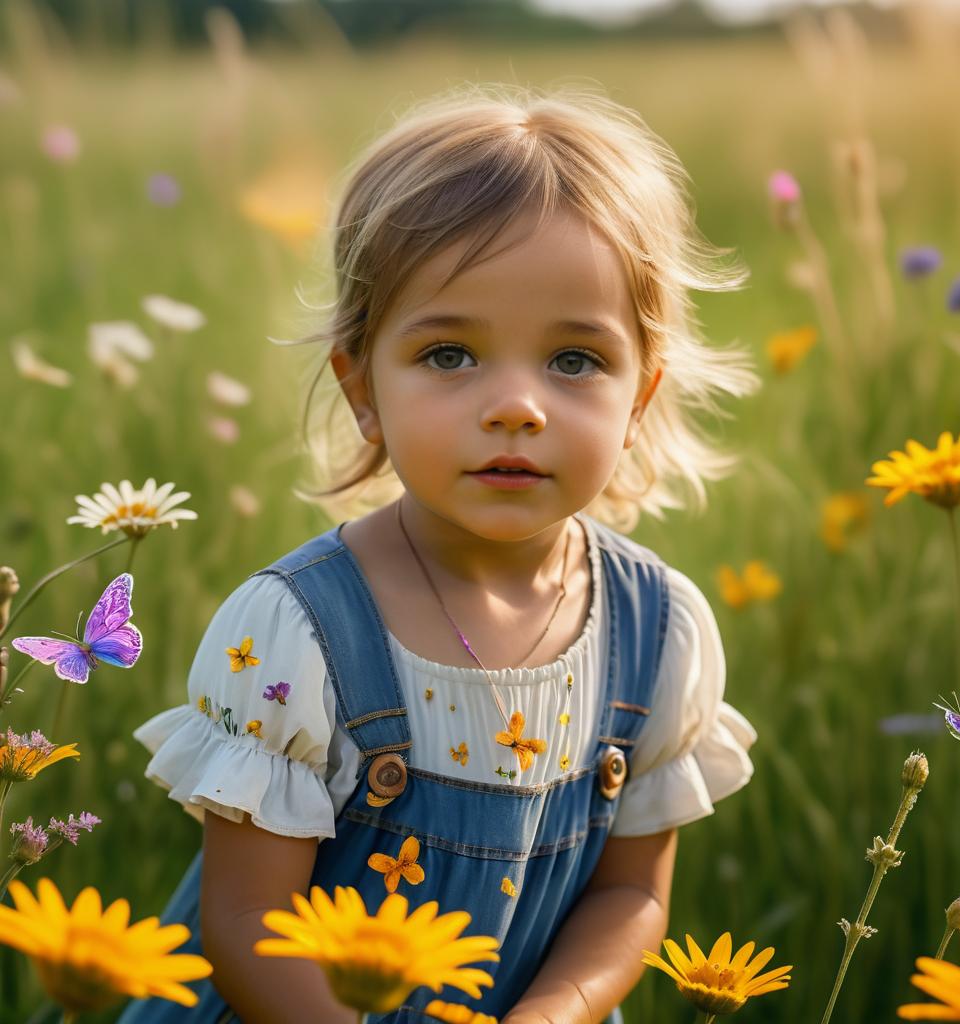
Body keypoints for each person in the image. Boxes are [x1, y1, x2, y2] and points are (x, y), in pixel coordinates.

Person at [120, 82, 760, 1024]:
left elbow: (633, 896)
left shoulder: (657, 632)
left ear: (641, 393)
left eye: (575, 361)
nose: (516, 405)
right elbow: (248, 922)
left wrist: (555, 1013)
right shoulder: (300, 632)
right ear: (361, 387)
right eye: (450, 355)